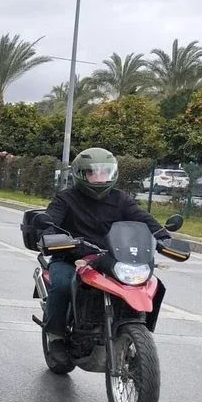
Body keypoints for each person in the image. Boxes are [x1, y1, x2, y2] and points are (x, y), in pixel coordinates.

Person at [39, 147, 170, 363]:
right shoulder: (66, 198)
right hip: (71, 257)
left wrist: (163, 237)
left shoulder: (121, 199)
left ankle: (135, 327)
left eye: (105, 173)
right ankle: (56, 337)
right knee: (62, 286)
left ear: (113, 174)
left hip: (110, 259)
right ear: (81, 174)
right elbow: (50, 220)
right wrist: (49, 235)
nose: (100, 179)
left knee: (148, 282)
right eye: (93, 173)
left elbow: (142, 219)